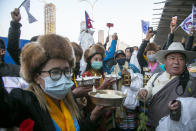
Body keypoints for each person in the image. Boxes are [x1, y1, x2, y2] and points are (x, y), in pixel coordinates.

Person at [0, 34, 106, 131]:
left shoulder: (69, 100)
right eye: (55, 72)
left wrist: (93, 116)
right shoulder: (26, 101)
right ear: (37, 76)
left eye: (66, 71)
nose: (63, 78)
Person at [138, 42, 196, 130]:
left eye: (181, 59)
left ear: (185, 62)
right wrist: (143, 92)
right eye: (172, 58)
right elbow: (148, 89)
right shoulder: (156, 76)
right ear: (165, 61)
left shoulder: (191, 82)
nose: (176, 62)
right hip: (152, 125)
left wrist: (182, 107)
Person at [82, 43, 116, 131]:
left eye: (100, 60)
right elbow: (88, 96)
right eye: (95, 59)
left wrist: (109, 85)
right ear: (90, 60)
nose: (98, 62)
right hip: (91, 113)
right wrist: (103, 85)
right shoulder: (86, 75)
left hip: (102, 112)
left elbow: (104, 92)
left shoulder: (101, 74)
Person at [110, 50, 142, 131]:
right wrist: (120, 74)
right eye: (118, 57)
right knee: (122, 126)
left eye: (122, 56)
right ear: (115, 59)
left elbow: (140, 79)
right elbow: (110, 79)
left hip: (131, 99)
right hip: (119, 100)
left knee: (131, 125)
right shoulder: (113, 68)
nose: (120, 58)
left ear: (125, 57)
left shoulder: (132, 67)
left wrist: (130, 75)